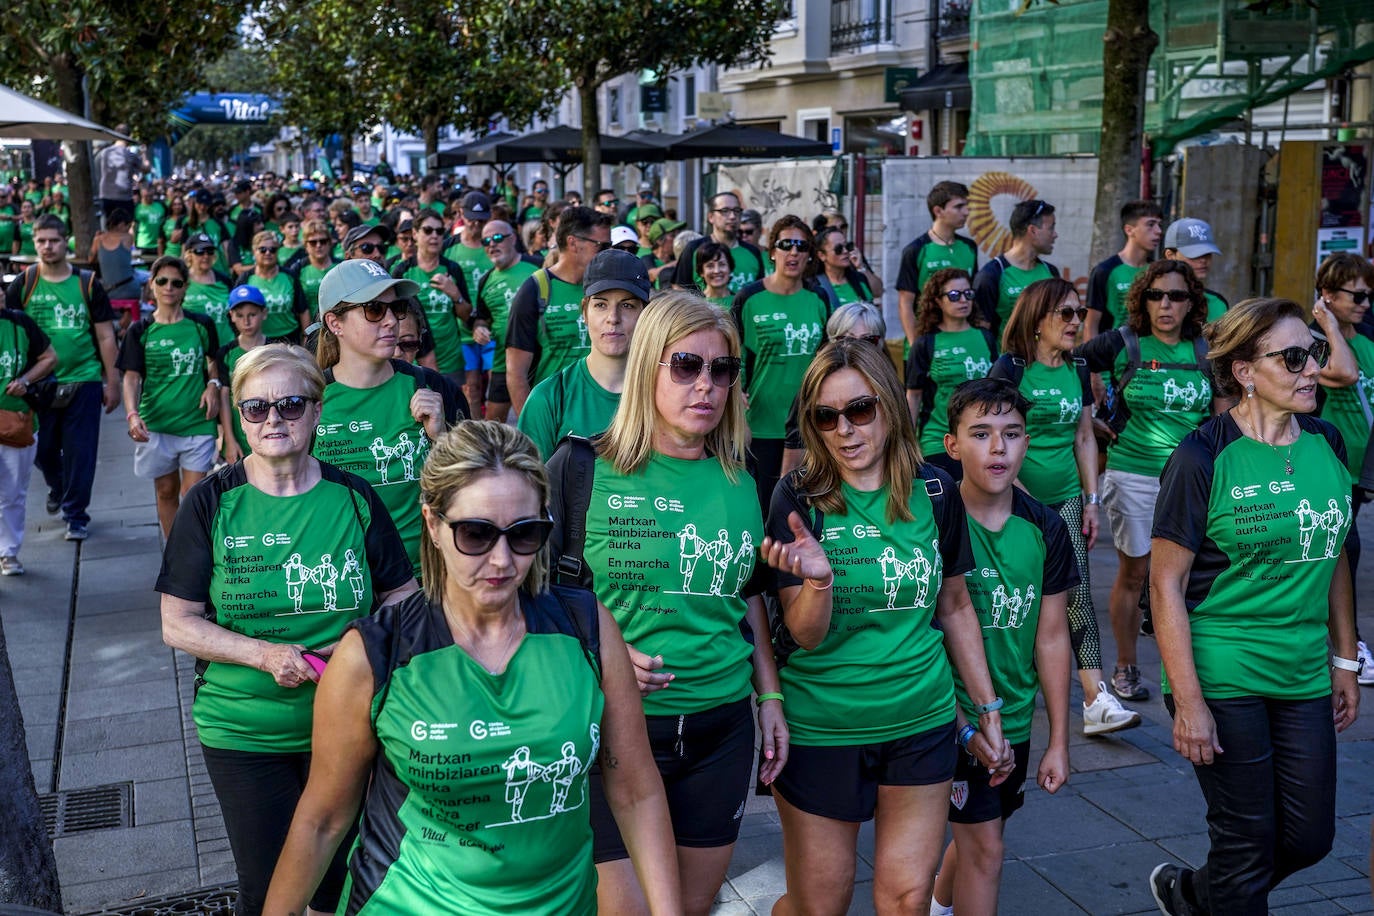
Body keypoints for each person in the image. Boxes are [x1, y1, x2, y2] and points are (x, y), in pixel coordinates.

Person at [264, 421, 681, 914]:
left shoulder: (587, 626)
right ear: (433, 525)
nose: (502, 560)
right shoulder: (375, 654)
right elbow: (323, 819)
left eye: (525, 534)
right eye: (477, 534)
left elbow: (634, 789)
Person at [546, 291, 787, 916]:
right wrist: (604, 648)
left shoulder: (741, 477)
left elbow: (747, 599)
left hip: (721, 732)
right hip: (612, 732)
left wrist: (770, 697)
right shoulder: (580, 469)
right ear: (649, 363)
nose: (706, 385)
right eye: (686, 366)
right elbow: (519, 595)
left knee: (691, 906)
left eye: (722, 369)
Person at [157, 343, 417, 916]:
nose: (274, 419)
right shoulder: (210, 503)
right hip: (245, 730)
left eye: (291, 405)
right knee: (268, 888)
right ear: (239, 416)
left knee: (340, 882)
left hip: (350, 723)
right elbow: (177, 624)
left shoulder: (354, 497)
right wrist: (264, 654)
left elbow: (404, 598)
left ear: (318, 411)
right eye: (256, 409)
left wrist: (359, 643)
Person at [761, 338, 1010, 915]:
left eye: (860, 410)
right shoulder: (798, 496)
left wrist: (986, 709)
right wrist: (819, 583)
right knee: (818, 904)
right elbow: (804, 635)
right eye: (826, 416)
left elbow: (954, 607)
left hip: (919, 721)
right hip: (823, 726)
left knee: (905, 900)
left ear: (890, 405)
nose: (845, 429)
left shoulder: (936, 491)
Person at [1148, 298, 1360, 916]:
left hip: (1301, 671)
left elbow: (1336, 555)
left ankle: (1190, 894)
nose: (1311, 369)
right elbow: (1164, 587)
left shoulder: (1327, 441)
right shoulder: (1201, 455)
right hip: (1223, 667)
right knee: (1246, 844)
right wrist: (1188, 703)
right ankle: (1215, 893)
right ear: (1244, 371)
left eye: (1315, 353)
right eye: (1293, 357)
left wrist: (1345, 660)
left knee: (1309, 838)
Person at [929, 378, 1075, 916]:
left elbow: (1053, 635)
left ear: (1027, 442)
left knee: (979, 833)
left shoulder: (1046, 528)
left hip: (1013, 719)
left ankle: (938, 904)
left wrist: (1059, 738)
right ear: (952, 446)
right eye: (982, 433)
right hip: (947, 716)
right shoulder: (934, 523)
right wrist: (964, 725)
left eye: (1011, 434)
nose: (998, 448)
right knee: (987, 848)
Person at [989, 277, 1140, 735]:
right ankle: (1006, 687)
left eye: (1079, 313)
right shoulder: (1010, 369)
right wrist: (1019, 497)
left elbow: (1082, 435)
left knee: (1075, 593)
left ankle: (1095, 697)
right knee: (1016, 595)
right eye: (1066, 314)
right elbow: (993, 440)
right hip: (1014, 504)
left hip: (1068, 500)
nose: (1078, 322)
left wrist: (1091, 500)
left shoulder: (1076, 368)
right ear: (1038, 321)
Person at [1076, 260, 1217, 703]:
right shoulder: (1125, 343)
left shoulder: (1205, 350)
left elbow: (1223, 410)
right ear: (1142, 300)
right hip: (1133, 474)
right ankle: (1126, 664)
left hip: (1192, 480)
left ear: (1192, 302)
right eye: (1156, 295)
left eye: (1176, 296)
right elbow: (1074, 358)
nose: (1166, 304)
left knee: (1189, 575)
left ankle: (1189, 668)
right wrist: (1091, 412)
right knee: (1136, 572)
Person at [312, 258, 466, 577]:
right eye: (373, 309)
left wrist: (441, 437)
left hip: (424, 579)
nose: (390, 322)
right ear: (334, 323)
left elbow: (473, 484)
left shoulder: (431, 386)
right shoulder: (308, 400)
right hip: (345, 580)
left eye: (393, 308)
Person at [4, 214, 120, 542]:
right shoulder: (23, 284)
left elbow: (106, 336)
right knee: (42, 450)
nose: (47, 246)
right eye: (41, 241)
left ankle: (75, 514)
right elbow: (9, 331)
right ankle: (58, 486)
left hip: (83, 379)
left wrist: (111, 381)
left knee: (81, 451)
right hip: (39, 385)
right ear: (34, 241)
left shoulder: (87, 283)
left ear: (65, 240)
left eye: (54, 240)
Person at [118, 256, 221, 538]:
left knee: (192, 495)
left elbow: (214, 360)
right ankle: (175, 556)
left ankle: (193, 552)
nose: (169, 287)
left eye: (176, 282)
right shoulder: (140, 331)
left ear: (185, 287)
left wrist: (212, 383)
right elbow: (130, 378)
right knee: (166, 491)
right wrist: (131, 414)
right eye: (162, 281)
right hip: (157, 425)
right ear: (151, 285)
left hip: (197, 423)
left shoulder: (202, 324)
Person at [733, 215, 831, 510]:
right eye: (785, 244)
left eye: (802, 246)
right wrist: (735, 392)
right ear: (771, 252)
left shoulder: (818, 297)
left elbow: (826, 357)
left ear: (810, 255)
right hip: (761, 423)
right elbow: (732, 355)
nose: (794, 252)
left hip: (811, 423)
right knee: (763, 509)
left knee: (804, 508)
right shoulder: (750, 297)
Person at [517, 250, 648, 457]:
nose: (613, 318)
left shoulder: (665, 392)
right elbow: (528, 485)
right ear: (585, 312)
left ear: (646, 314)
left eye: (627, 305)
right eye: (601, 305)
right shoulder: (549, 399)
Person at [1311, 252, 1374, 683]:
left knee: (1340, 551)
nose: (1366, 303)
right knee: (1342, 549)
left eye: (1369, 295)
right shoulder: (1312, 343)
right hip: (1329, 466)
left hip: (1362, 465)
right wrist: (1331, 325)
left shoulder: (1369, 341)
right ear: (1328, 296)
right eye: (1357, 295)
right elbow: (1345, 373)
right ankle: (1348, 646)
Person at [506, 206, 612, 416]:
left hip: (605, 411)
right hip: (556, 414)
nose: (608, 252)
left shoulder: (609, 287)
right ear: (573, 243)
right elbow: (515, 373)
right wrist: (532, 429)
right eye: (602, 246)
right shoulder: (535, 290)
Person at [905, 268, 996, 475]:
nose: (963, 300)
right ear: (937, 301)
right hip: (939, 441)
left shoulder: (986, 337)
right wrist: (907, 444)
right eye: (954, 295)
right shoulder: (925, 344)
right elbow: (913, 398)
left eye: (968, 294)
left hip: (983, 440)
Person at [0, 302, 57, 576]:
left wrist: (25, 380)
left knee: (13, 492)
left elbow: (49, 357)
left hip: (17, 421)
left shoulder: (19, 323)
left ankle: (8, 552)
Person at [469, 219, 540, 422]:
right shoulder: (486, 280)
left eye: (498, 238)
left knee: (538, 422)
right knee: (493, 425)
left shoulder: (536, 265)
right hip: (503, 361)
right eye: (486, 241)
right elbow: (481, 318)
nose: (492, 244)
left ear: (514, 238)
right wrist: (479, 329)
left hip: (539, 359)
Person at [391, 207, 471, 382]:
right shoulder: (402, 271)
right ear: (415, 234)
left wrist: (455, 294)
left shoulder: (452, 269)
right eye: (428, 230)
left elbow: (466, 315)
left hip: (450, 358)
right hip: (413, 357)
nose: (434, 235)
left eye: (439, 231)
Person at [896, 181, 979, 346]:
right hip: (927, 342)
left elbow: (973, 295)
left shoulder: (969, 247)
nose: (966, 212)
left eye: (967, 206)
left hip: (962, 341)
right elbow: (905, 302)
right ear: (938, 211)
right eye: (958, 206)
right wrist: (915, 346)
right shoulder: (916, 250)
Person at [973, 199, 1059, 336]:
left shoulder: (1051, 272)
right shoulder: (992, 275)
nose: (1055, 235)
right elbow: (981, 332)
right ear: (1033, 230)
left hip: (1043, 358)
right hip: (1005, 356)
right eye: (1051, 228)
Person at [442, 191, 494, 413]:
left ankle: (497, 434)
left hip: (493, 327)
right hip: (462, 329)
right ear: (461, 213)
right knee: (471, 387)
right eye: (472, 218)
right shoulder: (449, 247)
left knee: (496, 386)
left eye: (482, 220)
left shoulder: (494, 244)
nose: (476, 224)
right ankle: (476, 435)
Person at [1083, 200, 1163, 340]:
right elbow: (1091, 325)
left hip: (1150, 354)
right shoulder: (1105, 270)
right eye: (1151, 225)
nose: (1158, 231)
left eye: (1159, 225)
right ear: (1129, 230)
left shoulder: (1158, 272)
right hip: (1114, 354)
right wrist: (1092, 359)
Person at [673, 192, 767, 294]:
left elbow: (759, 293)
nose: (732, 216)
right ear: (710, 217)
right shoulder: (694, 248)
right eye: (725, 211)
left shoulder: (752, 252)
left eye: (736, 210)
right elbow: (679, 288)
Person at [216, 285, 269, 464]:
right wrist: (229, 440)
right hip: (239, 433)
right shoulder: (226, 353)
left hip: (268, 428)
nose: (246, 322)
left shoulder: (276, 349)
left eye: (252, 315)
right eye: (240, 315)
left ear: (264, 313)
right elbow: (224, 397)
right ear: (231, 315)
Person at [236, 230, 309, 344]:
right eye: (263, 249)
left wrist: (306, 338)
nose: (268, 253)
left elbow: (303, 309)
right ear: (254, 251)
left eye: (273, 250)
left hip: (290, 337)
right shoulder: (246, 279)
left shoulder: (289, 276)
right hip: (258, 340)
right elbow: (236, 312)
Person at [1164, 217, 1228, 322]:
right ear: (1170, 255)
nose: (1203, 260)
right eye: (1194, 254)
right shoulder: (1154, 300)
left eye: (1207, 254)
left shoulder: (1217, 303)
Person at [183, 232, 235, 347]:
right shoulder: (181, 281)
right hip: (193, 347)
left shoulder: (224, 281)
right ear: (189, 254)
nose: (205, 256)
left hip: (225, 346)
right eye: (200, 252)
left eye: (210, 251)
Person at [812, 226, 878, 307]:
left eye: (847, 246)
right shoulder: (814, 286)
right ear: (822, 255)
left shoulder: (859, 279)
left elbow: (878, 292)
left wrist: (860, 266)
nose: (845, 251)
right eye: (838, 249)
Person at [94, 129, 143, 225]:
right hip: (124, 198)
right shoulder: (130, 155)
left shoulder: (103, 153)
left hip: (105, 196)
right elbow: (146, 168)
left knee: (108, 226)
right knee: (125, 226)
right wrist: (144, 153)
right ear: (129, 137)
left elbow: (96, 171)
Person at [291, 218, 336, 319]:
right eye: (313, 242)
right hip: (311, 328)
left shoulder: (340, 266)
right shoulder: (297, 269)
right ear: (306, 245)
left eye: (323, 241)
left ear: (329, 243)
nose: (318, 245)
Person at [695, 241, 735, 309]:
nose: (716, 271)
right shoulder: (694, 304)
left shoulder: (740, 302)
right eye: (710, 266)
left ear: (730, 268)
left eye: (722, 264)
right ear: (701, 271)